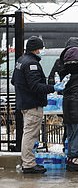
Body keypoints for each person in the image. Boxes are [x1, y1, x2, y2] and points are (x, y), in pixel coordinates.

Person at [11, 37, 62, 174]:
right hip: (32, 104)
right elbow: (35, 86)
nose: (42, 51)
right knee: (30, 135)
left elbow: (13, 81)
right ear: (36, 49)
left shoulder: (21, 60)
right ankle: (28, 164)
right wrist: (53, 88)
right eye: (41, 48)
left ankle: (28, 162)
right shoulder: (31, 64)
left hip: (24, 103)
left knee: (28, 133)